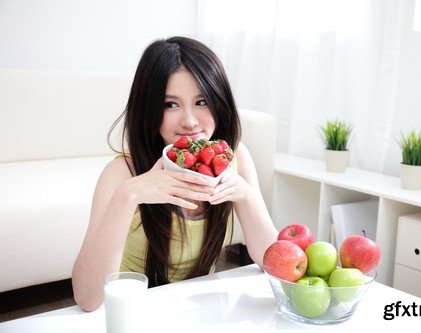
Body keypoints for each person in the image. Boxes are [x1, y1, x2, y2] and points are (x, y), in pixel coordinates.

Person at [72, 36, 278, 311]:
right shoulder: (122, 172)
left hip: (198, 311)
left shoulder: (236, 156)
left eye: (202, 101)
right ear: (149, 108)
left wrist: (245, 196)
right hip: (132, 311)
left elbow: (273, 263)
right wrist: (129, 194)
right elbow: (87, 298)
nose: (190, 121)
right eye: (171, 104)